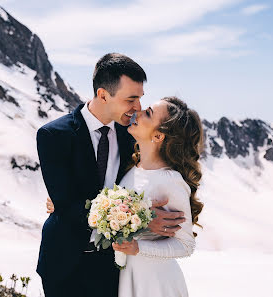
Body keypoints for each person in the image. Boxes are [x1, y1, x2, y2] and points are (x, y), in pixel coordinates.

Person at [36, 53, 186, 297]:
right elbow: (66, 206)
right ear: (103, 95)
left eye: (140, 98)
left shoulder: (134, 135)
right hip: (63, 263)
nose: (137, 107)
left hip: (113, 267)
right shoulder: (53, 135)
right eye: (131, 99)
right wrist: (144, 220)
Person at [46, 96, 205, 297]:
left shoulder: (170, 181)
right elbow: (111, 209)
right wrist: (64, 202)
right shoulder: (131, 169)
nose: (137, 112)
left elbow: (185, 245)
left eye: (148, 113)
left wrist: (139, 247)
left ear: (158, 136)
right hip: (124, 278)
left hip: (155, 283)